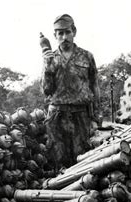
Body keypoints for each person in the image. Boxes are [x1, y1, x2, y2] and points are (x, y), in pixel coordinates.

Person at [41, 14, 101, 170]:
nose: (64, 36)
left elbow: (95, 86)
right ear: (55, 36)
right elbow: (46, 90)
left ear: (74, 31)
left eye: (67, 32)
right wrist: (47, 66)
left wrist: (96, 117)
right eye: (60, 33)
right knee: (59, 160)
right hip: (57, 116)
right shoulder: (51, 58)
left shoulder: (87, 56)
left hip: (80, 115)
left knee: (83, 158)